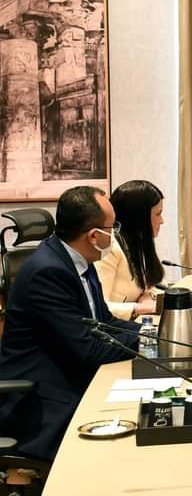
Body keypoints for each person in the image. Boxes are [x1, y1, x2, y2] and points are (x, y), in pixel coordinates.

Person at [0, 186, 141, 462]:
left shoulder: (80, 260)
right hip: (41, 398)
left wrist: (153, 332)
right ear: (93, 236)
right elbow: (90, 349)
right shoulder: (48, 272)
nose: (114, 234)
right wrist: (147, 343)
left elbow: (105, 323)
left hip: (70, 372)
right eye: (112, 228)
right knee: (123, 442)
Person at [95, 180, 165, 320]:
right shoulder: (108, 247)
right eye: (158, 214)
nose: (162, 221)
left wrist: (147, 295)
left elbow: (151, 284)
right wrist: (142, 308)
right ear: (139, 217)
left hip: (134, 322)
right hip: (113, 328)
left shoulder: (137, 242)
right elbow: (99, 307)